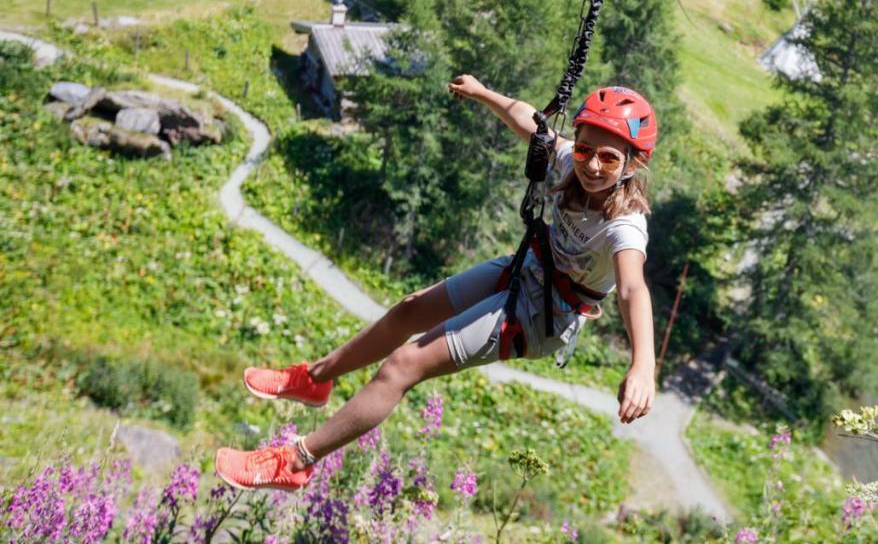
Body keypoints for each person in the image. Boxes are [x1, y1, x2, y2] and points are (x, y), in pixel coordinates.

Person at [213, 79, 660, 491]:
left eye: (608, 158)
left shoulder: (625, 224)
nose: (592, 165)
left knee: (403, 365)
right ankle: (314, 379)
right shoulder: (569, 162)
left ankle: (294, 462)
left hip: (542, 314)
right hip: (526, 270)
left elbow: (631, 290)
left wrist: (642, 365)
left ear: (632, 163)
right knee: (409, 309)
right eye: (584, 151)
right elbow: (531, 121)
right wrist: (484, 93)